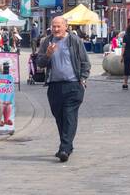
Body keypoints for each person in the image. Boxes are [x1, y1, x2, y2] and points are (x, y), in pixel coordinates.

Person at [34, 15, 90, 162]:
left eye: (59, 26)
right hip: (54, 85)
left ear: (66, 26)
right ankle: (68, 145)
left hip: (73, 85)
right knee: (60, 117)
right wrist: (47, 54)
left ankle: (64, 149)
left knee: (69, 116)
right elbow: (39, 63)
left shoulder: (74, 41)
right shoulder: (47, 42)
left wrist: (83, 79)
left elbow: (85, 62)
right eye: (54, 26)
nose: (56, 29)